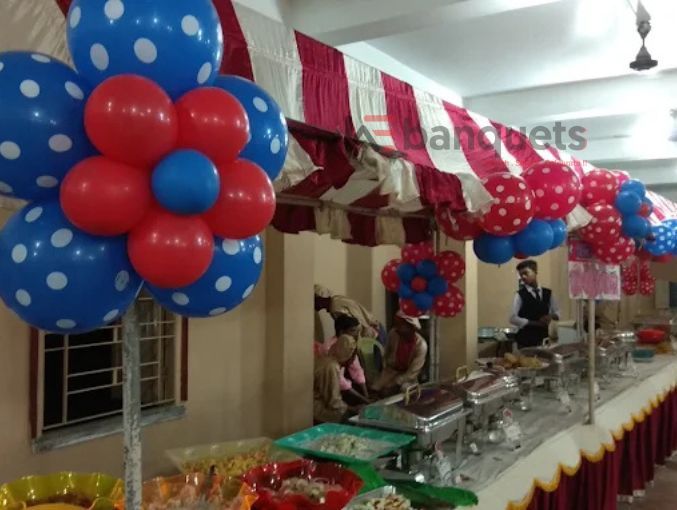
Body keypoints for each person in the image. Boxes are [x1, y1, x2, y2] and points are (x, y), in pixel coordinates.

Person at [315, 314, 370, 404]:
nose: (356, 334)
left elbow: (356, 369)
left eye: (357, 331)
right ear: (341, 332)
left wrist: (366, 396)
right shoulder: (328, 350)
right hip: (327, 383)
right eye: (353, 331)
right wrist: (364, 400)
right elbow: (339, 380)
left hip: (339, 379)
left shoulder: (350, 344)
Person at [372, 311, 427, 396]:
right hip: (391, 371)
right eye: (397, 324)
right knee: (375, 389)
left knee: (403, 391)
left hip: (408, 377)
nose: (398, 328)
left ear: (412, 327)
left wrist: (395, 383)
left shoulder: (421, 346)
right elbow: (386, 352)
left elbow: (412, 372)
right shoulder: (393, 334)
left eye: (402, 325)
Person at [510, 260, 560, 348]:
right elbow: (512, 318)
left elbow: (558, 312)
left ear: (535, 271)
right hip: (525, 341)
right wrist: (534, 323)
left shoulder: (548, 293)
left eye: (525, 273)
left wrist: (550, 316)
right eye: (521, 275)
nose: (523, 277)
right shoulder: (520, 295)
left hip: (543, 339)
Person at [313, 334, 362, 423]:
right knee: (347, 418)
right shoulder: (331, 367)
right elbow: (333, 401)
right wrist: (352, 409)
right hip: (316, 408)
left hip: (317, 403)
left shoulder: (327, 360)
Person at [314, 284, 382, 343]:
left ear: (321, 298)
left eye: (315, 299)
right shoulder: (336, 299)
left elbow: (354, 325)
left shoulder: (335, 308)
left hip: (372, 335)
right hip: (375, 330)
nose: (314, 302)